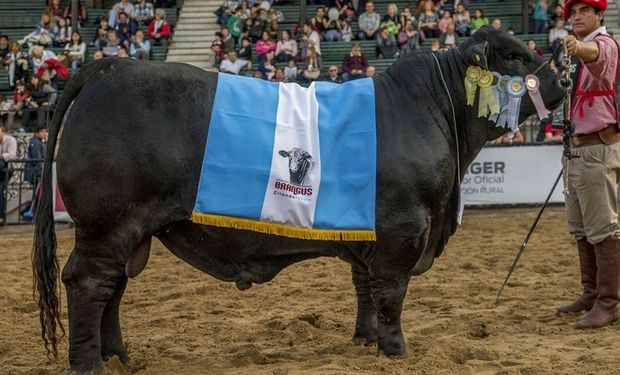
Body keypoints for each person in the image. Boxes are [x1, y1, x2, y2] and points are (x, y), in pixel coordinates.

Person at [555, 0, 620, 329]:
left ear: (599, 15)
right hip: (578, 148)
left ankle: (609, 302)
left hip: (597, 147)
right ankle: (592, 292)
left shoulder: (604, 44)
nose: (576, 17)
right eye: (572, 13)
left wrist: (577, 46)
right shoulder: (578, 52)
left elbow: (595, 54)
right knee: (581, 227)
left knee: (603, 228)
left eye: (583, 11)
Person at [21, 125, 47, 221]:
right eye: (42, 132)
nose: (44, 134)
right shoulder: (36, 143)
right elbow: (38, 160)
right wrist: (40, 174)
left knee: (36, 194)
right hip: (36, 173)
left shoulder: (36, 142)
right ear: (37, 133)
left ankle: (28, 212)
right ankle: (29, 213)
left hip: (35, 173)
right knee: (37, 194)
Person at [0, 124, 17, 225]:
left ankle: (1, 217)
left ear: (3, 132)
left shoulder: (11, 140)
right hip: (1, 168)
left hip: (8, 169)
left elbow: (12, 155)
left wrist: (1, 156)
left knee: (1, 191)